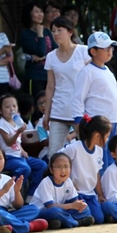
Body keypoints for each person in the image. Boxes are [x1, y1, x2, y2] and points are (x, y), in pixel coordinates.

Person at [71, 32, 117, 169]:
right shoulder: (87, 72)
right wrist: (78, 122)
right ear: (93, 51)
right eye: (105, 48)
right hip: (97, 122)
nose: (109, 51)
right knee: (98, 160)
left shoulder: (108, 70)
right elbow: (78, 98)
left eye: (111, 48)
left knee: (109, 157)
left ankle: (108, 188)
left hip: (112, 120)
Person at [43, 16, 89, 158]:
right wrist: (47, 113)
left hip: (80, 109)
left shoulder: (83, 51)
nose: (56, 33)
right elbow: (50, 86)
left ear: (70, 32)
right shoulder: (51, 57)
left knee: (86, 148)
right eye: (53, 30)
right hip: (59, 109)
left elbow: (93, 77)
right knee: (54, 153)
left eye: (59, 30)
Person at [59, 115, 112, 225]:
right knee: (85, 212)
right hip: (75, 194)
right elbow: (58, 161)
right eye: (106, 136)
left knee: (99, 218)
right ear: (97, 135)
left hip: (90, 194)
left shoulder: (99, 151)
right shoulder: (73, 148)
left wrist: (100, 194)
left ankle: (79, 218)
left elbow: (96, 173)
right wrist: (69, 182)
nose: (107, 139)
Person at [0, 94, 47, 198]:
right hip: (9, 157)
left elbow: (17, 143)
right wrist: (18, 132)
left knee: (42, 165)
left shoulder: (16, 121)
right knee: (25, 168)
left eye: (14, 106)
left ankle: (31, 194)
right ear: (0, 110)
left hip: (19, 156)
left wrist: (22, 150)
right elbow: (9, 142)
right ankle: (12, 194)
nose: (11, 109)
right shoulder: (1, 125)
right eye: (7, 107)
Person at [30, 152, 94, 228]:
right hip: (43, 212)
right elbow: (50, 206)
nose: (63, 170)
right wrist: (72, 205)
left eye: (66, 166)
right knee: (54, 211)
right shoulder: (46, 182)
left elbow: (74, 202)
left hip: (62, 210)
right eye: (58, 167)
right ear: (51, 170)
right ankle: (76, 223)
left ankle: (61, 222)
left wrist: (79, 206)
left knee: (85, 208)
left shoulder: (68, 181)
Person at [19, 1, 58, 97]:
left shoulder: (47, 32)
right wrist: (40, 34)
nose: (40, 14)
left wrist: (44, 57)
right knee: (37, 104)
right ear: (29, 14)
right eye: (36, 12)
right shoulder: (26, 34)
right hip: (35, 76)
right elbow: (41, 52)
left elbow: (55, 50)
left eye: (41, 11)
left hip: (49, 75)